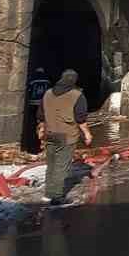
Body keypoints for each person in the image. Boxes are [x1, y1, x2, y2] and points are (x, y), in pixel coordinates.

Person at [37, 69, 92, 205]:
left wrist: (41, 130)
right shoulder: (77, 95)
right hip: (67, 136)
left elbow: (40, 115)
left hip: (49, 134)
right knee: (62, 167)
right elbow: (80, 119)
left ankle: (48, 194)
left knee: (51, 164)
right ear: (74, 80)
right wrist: (87, 133)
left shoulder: (48, 93)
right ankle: (56, 197)